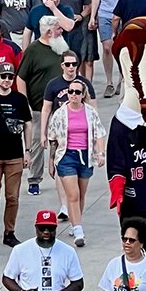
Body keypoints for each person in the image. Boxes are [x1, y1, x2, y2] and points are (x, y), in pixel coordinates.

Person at [46, 85, 107, 247]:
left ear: (82, 95)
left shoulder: (90, 112)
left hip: (85, 156)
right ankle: (78, 230)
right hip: (66, 156)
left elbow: (99, 133)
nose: (73, 95)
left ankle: (76, 222)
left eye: (77, 92)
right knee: (72, 194)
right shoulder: (60, 113)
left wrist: (101, 153)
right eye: (70, 92)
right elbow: (53, 139)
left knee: (81, 193)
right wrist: (51, 162)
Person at [17, 16, 71, 196]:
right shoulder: (33, 50)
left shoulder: (62, 48)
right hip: (38, 107)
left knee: (61, 142)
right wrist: (24, 104)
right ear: (49, 32)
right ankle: (34, 179)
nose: (61, 31)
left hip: (62, 107)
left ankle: (62, 176)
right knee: (37, 144)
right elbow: (21, 78)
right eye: (58, 29)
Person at [0, 64, 33, 248]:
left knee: (12, 197)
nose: (6, 80)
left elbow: (28, 123)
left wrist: (28, 151)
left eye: (10, 77)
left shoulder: (19, 99)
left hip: (14, 156)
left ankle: (9, 232)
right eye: (3, 76)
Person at [90, 0, 136, 95]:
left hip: (123, 14)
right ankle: (109, 81)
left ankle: (122, 80)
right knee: (107, 47)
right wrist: (92, 16)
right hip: (105, 12)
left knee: (123, 48)